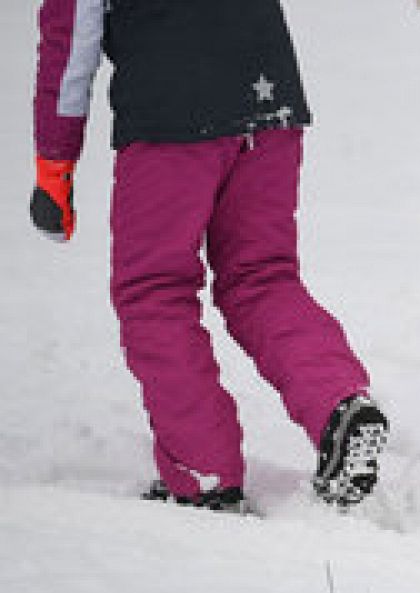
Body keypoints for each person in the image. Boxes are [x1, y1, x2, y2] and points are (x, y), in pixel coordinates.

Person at [30, 0, 389, 511]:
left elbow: (72, 35)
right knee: (263, 277)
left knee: (154, 292)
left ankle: (205, 472)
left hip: (172, 111)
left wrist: (55, 163)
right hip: (269, 91)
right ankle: (339, 405)